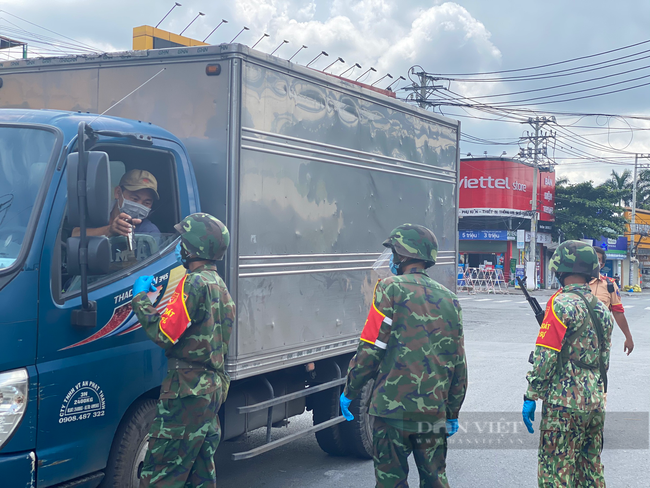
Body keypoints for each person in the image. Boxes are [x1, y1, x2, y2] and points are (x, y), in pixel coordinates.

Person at [340, 224, 467, 488]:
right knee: (435, 481)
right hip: (433, 412)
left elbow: (371, 349)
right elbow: (458, 363)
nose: (391, 259)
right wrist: (452, 411)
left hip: (391, 411)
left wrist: (350, 390)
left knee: (391, 483)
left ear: (403, 255)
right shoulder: (450, 299)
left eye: (394, 253)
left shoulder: (389, 288)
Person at [131, 213, 235, 488]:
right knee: (200, 474)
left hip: (186, 392)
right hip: (211, 389)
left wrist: (141, 299)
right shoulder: (219, 286)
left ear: (194, 248)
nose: (178, 245)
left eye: (182, 240)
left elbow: (164, 333)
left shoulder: (193, 284)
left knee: (161, 474)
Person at [522, 240, 615, 488]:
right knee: (590, 469)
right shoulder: (603, 310)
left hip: (564, 405)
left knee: (556, 471)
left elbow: (545, 356)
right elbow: (603, 361)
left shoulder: (560, 304)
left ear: (560, 270)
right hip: (595, 401)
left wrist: (531, 394)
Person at [74, 169, 160, 238]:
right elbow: (75, 234)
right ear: (118, 193)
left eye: (147, 203)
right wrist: (109, 230)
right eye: (134, 199)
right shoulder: (96, 213)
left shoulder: (149, 231)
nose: (140, 205)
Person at [590, 246, 634, 355]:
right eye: (591, 258)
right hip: (574, 343)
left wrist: (628, 337)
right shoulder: (571, 283)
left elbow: (618, 312)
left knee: (600, 371)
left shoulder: (609, 285)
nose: (594, 262)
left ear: (602, 265)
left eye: (598, 259)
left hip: (599, 343)